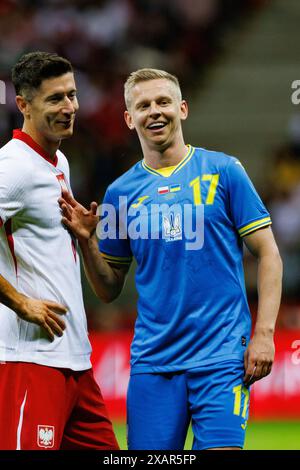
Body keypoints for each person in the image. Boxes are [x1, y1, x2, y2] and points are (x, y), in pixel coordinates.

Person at [59, 68, 282, 450]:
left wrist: (264, 334)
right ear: (130, 119)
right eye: (143, 105)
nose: (155, 111)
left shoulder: (225, 171)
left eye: (163, 101)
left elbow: (269, 254)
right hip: (154, 362)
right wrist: (87, 242)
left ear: (183, 108)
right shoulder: (119, 193)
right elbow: (109, 287)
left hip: (222, 355)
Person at [0, 51, 119, 450]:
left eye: (72, 95)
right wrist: (20, 303)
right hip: (29, 360)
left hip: (75, 361)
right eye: (55, 99)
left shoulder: (59, 161)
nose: (70, 108)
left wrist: (84, 237)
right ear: (23, 105)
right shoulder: (13, 167)